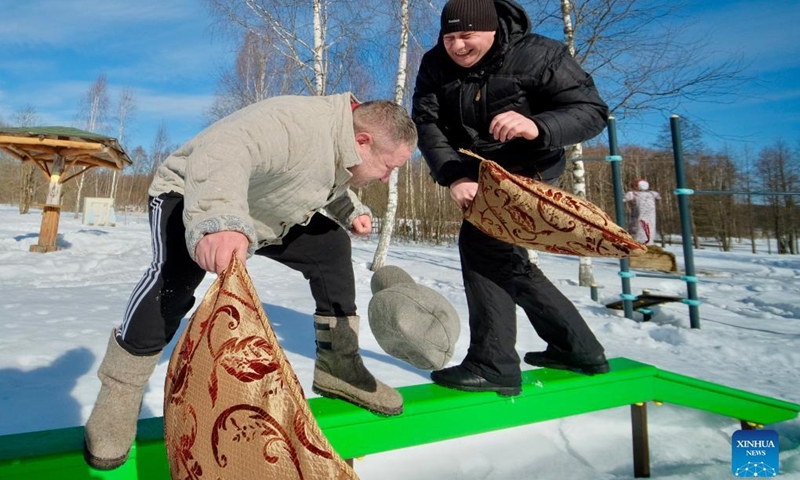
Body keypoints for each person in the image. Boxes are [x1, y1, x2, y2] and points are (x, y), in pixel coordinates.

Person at [83, 93, 417, 470]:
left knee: (331, 247)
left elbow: (319, 181)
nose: (387, 178)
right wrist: (219, 219)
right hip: (191, 193)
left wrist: (349, 210)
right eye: (388, 167)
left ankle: (339, 365)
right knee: (175, 280)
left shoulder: (343, 140)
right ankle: (119, 394)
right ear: (363, 141)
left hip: (257, 213)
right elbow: (223, 149)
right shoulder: (297, 121)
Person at [412, 0, 611, 397]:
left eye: (467, 36)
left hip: (530, 166)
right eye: (450, 36)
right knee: (506, 261)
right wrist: (455, 176)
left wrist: (537, 125)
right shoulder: (435, 64)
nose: (458, 46)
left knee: (482, 246)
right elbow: (428, 123)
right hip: (479, 171)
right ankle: (576, 348)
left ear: (491, 30)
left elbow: (591, 111)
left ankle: (494, 364)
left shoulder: (540, 54)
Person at [625, 179, 661, 245]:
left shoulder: (633, 194)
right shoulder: (653, 193)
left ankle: (640, 244)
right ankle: (648, 243)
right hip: (651, 218)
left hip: (639, 217)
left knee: (639, 230)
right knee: (649, 230)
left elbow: (624, 199)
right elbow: (658, 197)